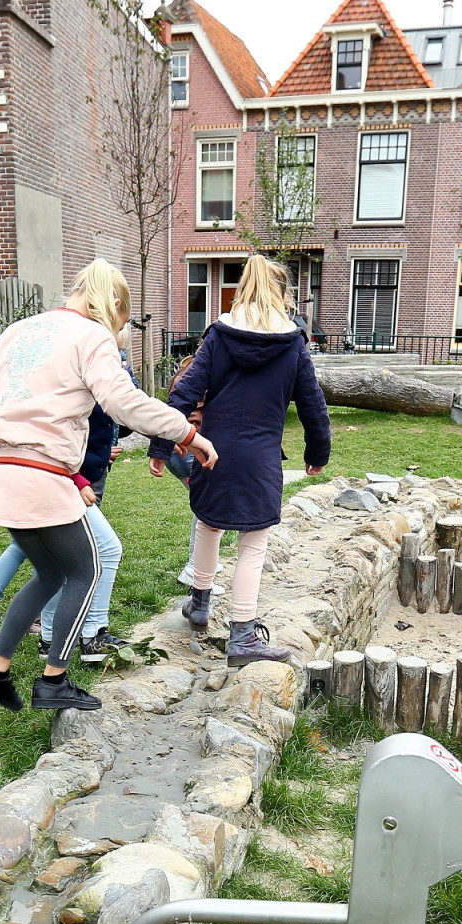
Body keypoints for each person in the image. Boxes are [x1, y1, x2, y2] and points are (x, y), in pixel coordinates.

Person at [0, 259, 215, 713]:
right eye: (121, 317)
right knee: (87, 568)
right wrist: (187, 433)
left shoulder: (23, 329)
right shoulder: (92, 335)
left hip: (1, 470)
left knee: (52, 572)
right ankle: (54, 679)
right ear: (114, 304)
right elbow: (121, 401)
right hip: (43, 471)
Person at [149, 255, 329, 665]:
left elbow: (183, 393)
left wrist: (162, 445)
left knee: (209, 525)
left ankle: (199, 603)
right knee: (253, 545)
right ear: (281, 294)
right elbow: (313, 406)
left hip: (212, 452)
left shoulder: (218, 336)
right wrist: (316, 454)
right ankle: (243, 636)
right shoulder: (293, 345)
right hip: (261, 458)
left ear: (242, 289)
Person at [0, 348, 131, 663]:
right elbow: (50, 439)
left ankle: (7, 658)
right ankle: (86, 640)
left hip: (28, 479)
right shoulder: (49, 377)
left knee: (50, 565)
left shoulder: (18, 377)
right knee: (96, 555)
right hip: (45, 483)